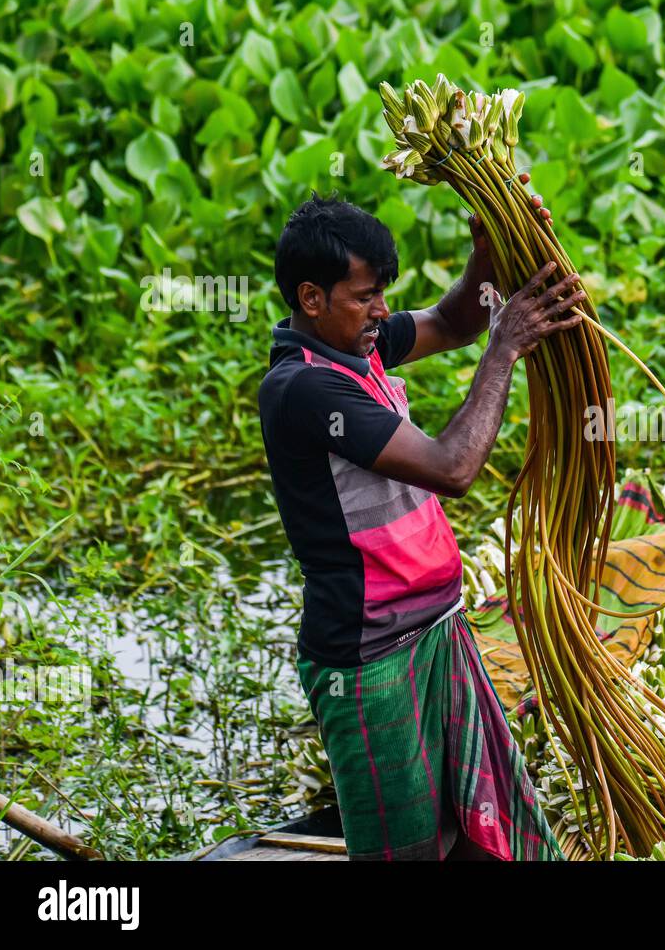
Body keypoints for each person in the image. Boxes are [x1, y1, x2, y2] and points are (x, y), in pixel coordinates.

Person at [258, 188, 585, 860]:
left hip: (437, 632)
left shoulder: (361, 348)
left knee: (483, 833)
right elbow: (452, 466)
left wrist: (487, 254)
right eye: (364, 296)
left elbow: (451, 319)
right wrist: (504, 352)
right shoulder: (305, 388)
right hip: (370, 659)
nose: (381, 311)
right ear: (311, 299)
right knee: (407, 851)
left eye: (383, 292)